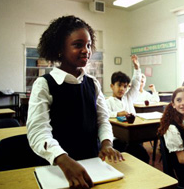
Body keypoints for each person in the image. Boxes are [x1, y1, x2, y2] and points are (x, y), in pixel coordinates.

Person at [27, 15, 123, 189]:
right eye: (78, 45)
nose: (86, 50)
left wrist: (106, 143)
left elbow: (103, 120)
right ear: (59, 50)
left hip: (93, 163)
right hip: (57, 167)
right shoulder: (44, 84)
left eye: (88, 45)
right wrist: (63, 160)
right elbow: (38, 131)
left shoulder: (92, 83)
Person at [106, 56, 150, 163]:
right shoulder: (108, 101)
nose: (122, 89)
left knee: (144, 157)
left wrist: (137, 68)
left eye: (125, 86)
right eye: (119, 85)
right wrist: (117, 113)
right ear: (112, 86)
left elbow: (136, 83)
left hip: (133, 137)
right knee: (125, 159)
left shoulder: (128, 97)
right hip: (117, 139)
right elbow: (105, 115)